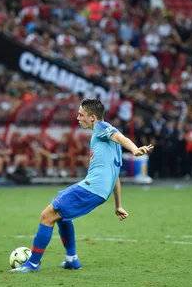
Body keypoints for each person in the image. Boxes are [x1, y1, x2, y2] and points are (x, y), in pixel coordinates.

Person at [9, 98, 153, 273]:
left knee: (47, 215)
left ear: (92, 117)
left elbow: (120, 136)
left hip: (92, 188)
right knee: (62, 216)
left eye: (81, 114)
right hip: (99, 191)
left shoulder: (102, 127)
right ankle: (72, 259)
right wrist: (118, 205)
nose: (78, 118)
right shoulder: (111, 145)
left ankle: (32, 264)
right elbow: (115, 176)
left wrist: (135, 149)